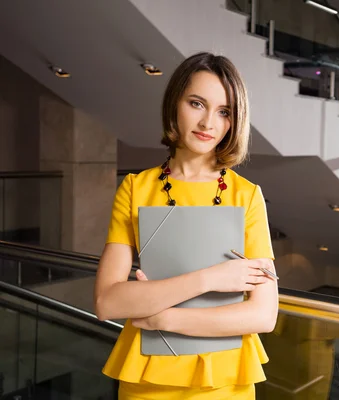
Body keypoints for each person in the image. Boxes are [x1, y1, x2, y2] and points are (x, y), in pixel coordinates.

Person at [94, 52, 278, 400]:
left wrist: (164, 317)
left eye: (224, 112)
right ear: (175, 104)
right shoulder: (136, 188)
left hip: (226, 382)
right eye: (197, 103)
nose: (208, 122)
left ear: (233, 122)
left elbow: (263, 314)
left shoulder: (247, 196)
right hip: (148, 380)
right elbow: (108, 301)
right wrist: (212, 278)